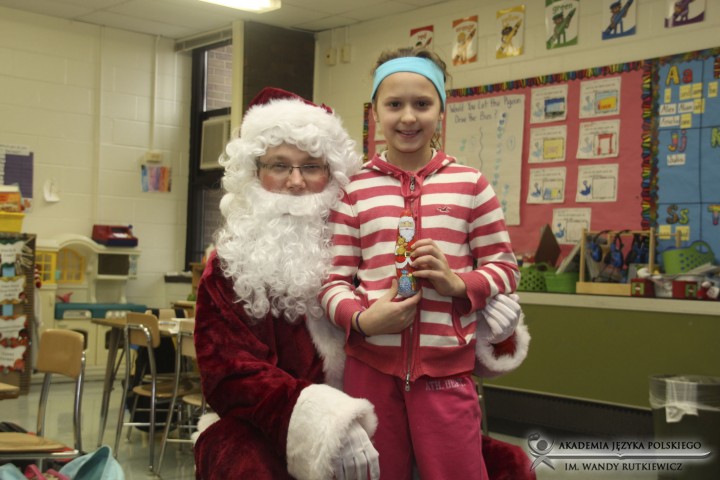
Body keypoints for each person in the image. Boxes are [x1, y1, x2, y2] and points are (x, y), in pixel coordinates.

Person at [318, 47, 531, 480]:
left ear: (441, 110)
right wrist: (361, 320)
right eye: (394, 104)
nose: (408, 117)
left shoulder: (471, 185)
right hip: (369, 370)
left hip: (447, 371)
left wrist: (459, 284)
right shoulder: (354, 190)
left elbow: (505, 268)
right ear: (375, 111)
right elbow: (332, 280)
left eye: (422, 103)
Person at [192, 87, 380, 480]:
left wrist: (476, 305)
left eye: (311, 166)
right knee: (237, 458)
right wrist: (329, 422)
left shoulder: (366, 247)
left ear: (333, 174)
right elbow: (229, 375)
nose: (295, 182)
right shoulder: (228, 267)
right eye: (279, 165)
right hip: (267, 428)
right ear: (255, 173)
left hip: (378, 411)